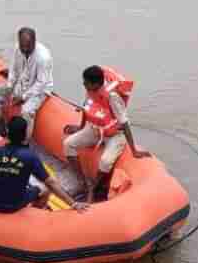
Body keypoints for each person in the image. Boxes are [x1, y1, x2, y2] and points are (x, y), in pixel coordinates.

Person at [63, 65, 151, 203]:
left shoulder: (112, 97)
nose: (83, 84)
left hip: (115, 135)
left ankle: (93, 187)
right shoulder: (90, 90)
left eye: (86, 82)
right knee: (68, 144)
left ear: (96, 84)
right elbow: (88, 109)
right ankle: (84, 182)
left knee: (105, 161)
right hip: (96, 129)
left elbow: (125, 122)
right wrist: (80, 128)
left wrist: (134, 150)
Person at [0, 117, 87, 213]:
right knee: (44, 190)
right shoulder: (30, 156)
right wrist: (74, 204)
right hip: (11, 205)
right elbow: (50, 183)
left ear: (8, 133)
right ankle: (36, 212)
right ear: (24, 135)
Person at [0, 27, 53, 133]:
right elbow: (13, 69)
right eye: (23, 47)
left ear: (35, 42)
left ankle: (24, 142)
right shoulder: (18, 48)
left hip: (40, 90)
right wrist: (9, 87)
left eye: (29, 47)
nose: (25, 50)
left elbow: (41, 83)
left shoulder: (43, 58)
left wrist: (23, 97)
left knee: (26, 112)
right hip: (22, 82)